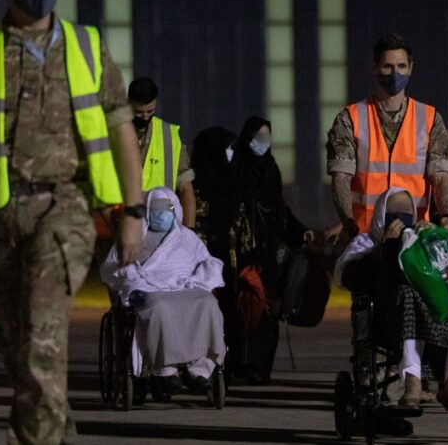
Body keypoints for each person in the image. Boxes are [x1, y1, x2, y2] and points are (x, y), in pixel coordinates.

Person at [0, 0, 144, 444]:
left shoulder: (87, 47)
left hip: (64, 210)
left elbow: (121, 127)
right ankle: (54, 433)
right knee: (19, 354)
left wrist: (133, 210)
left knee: (41, 343)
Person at [335, 187, 448, 412]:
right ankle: (413, 383)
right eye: (393, 212)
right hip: (389, 322)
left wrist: (440, 238)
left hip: (438, 319)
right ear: (381, 214)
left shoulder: (422, 239)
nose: (400, 219)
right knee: (407, 292)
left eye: (405, 212)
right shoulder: (366, 245)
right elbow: (354, 278)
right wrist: (388, 247)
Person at [325, 34, 448, 245]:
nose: (395, 73)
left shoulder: (430, 119)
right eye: (387, 66)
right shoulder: (350, 118)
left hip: (415, 236)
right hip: (365, 238)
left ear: (410, 68)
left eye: (401, 65)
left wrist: (447, 216)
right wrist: (347, 221)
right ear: (375, 68)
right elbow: (341, 178)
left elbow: (442, 176)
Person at [100, 187, 226, 398]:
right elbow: (115, 266)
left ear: (175, 209)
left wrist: (200, 280)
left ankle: (200, 370)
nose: (162, 213)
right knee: (159, 306)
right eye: (156, 209)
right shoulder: (133, 236)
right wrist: (134, 280)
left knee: (208, 304)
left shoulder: (187, 238)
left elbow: (207, 262)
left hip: (185, 285)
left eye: (166, 208)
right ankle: (165, 370)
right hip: (151, 288)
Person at [223, 116, 313, 384]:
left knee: (266, 312)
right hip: (240, 253)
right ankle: (238, 365)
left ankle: (260, 369)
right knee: (241, 310)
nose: (262, 144)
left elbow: (279, 211)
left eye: (266, 138)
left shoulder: (271, 170)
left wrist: (300, 231)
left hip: (267, 255)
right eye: (257, 138)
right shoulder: (235, 169)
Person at [129, 77, 196, 227]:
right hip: (123, 225)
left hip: (161, 227)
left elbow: (186, 189)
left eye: (150, 111)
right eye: (139, 113)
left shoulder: (169, 136)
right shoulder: (113, 135)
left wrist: (188, 233)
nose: (145, 117)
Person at [190, 126, 238, 264]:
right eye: (227, 148)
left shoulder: (236, 188)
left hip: (232, 270)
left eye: (233, 148)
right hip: (200, 265)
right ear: (213, 152)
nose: (231, 153)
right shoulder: (191, 194)